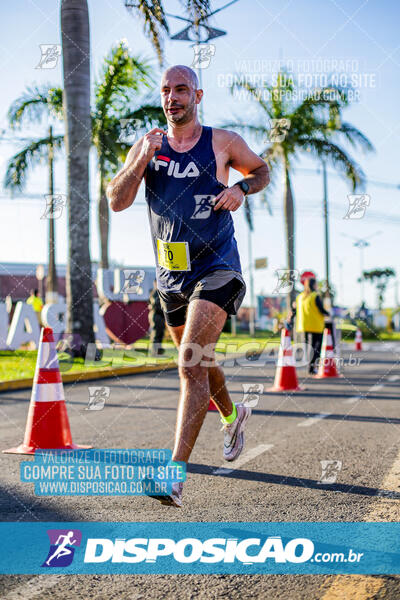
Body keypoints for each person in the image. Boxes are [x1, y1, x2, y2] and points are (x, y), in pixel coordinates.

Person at [108, 64, 269, 507]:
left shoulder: (222, 142)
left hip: (218, 266)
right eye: (166, 90)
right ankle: (233, 417)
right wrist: (142, 158)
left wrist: (241, 189)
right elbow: (116, 201)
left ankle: (173, 475)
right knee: (201, 360)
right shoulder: (146, 146)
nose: (173, 97)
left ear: (198, 95)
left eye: (181, 89)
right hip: (171, 278)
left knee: (189, 364)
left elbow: (262, 170)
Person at [294, 278, 330, 375]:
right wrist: (328, 313)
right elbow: (321, 309)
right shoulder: (315, 296)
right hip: (316, 325)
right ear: (314, 285)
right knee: (316, 347)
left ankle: (309, 365)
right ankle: (312, 366)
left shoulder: (300, 297)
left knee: (308, 346)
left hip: (303, 325)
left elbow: (294, 309)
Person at [148, 279, 166, 356]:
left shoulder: (156, 291)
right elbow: (155, 304)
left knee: (159, 334)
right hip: (157, 315)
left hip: (158, 315)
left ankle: (158, 352)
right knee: (156, 334)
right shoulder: (156, 292)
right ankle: (155, 352)